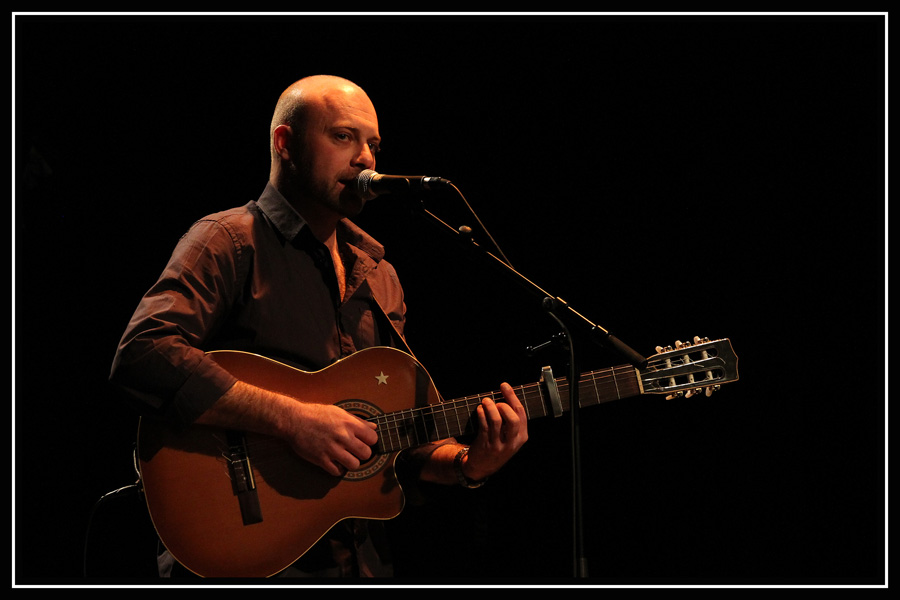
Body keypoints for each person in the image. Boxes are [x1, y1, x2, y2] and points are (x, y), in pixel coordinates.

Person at [108, 74, 529, 578]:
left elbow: (396, 440)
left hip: (359, 561)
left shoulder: (381, 276)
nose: (366, 159)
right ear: (285, 143)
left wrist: (468, 465)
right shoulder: (228, 240)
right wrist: (292, 420)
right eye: (343, 137)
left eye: (373, 145)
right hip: (243, 555)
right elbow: (144, 353)